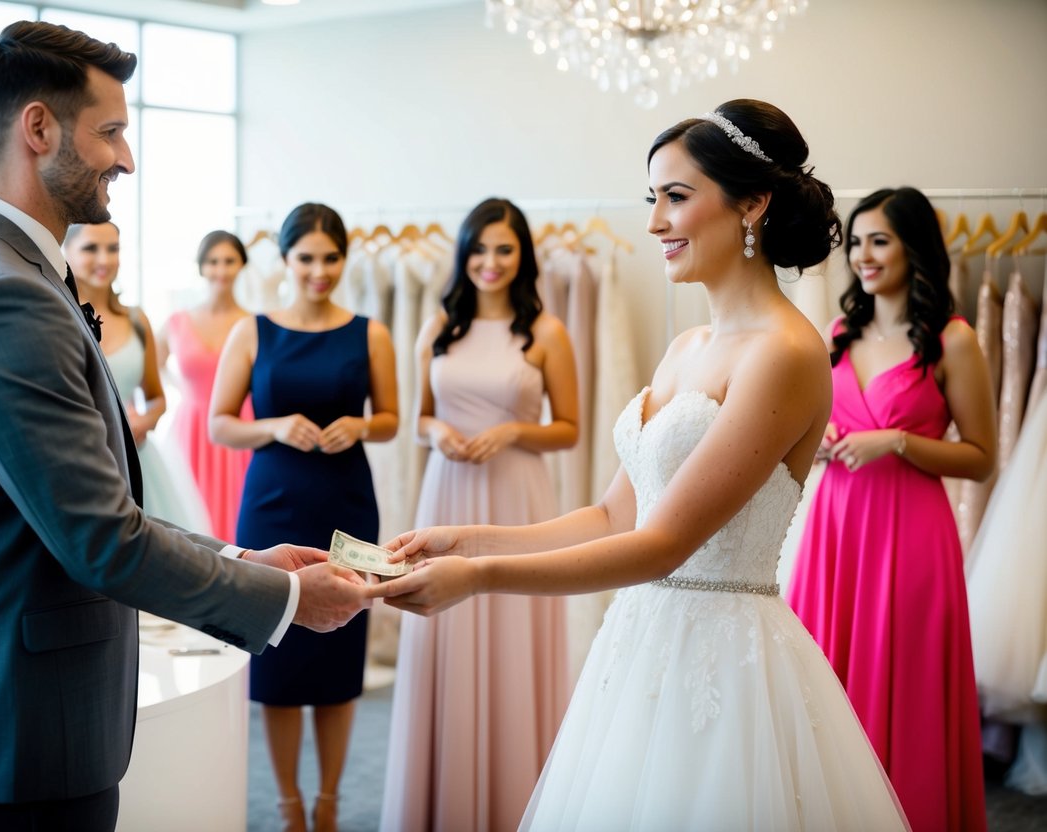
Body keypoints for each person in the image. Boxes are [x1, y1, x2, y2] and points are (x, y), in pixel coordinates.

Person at [370, 100, 910, 830]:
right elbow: (612, 515)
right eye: (650, 198)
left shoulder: (783, 353)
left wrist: (480, 578)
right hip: (638, 643)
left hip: (723, 664)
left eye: (675, 197)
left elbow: (662, 545)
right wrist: (465, 539)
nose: (653, 222)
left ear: (752, 204)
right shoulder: (685, 347)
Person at [0, 22, 368, 830]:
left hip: (13, 718)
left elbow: (81, 505)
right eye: (109, 131)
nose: (127, 158)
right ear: (37, 128)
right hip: (18, 733)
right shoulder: (6, 297)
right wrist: (286, 596)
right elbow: (101, 540)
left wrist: (240, 555)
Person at [786, 187, 994, 831]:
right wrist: (816, 441)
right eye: (855, 242)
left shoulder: (954, 340)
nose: (863, 256)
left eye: (879, 240)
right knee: (827, 682)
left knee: (907, 691)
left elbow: (983, 458)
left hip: (912, 534)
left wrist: (899, 441)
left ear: (915, 247)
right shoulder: (837, 335)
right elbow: (808, 421)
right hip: (836, 527)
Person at [380, 197, 578, 832]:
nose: (490, 263)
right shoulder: (440, 324)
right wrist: (435, 430)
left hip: (517, 495)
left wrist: (517, 433)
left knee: (512, 623)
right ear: (463, 254)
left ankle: (517, 798)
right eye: (480, 249)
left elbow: (570, 429)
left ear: (522, 257)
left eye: (504, 249)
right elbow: (416, 418)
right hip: (449, 489)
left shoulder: (546, 333)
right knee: (444, 625)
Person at [209, 203, 398, 832]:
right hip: (272, 502)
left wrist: (363, 424)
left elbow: (392, 419)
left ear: (345, 259)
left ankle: (330, 804)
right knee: (280, 653)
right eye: (306, 258)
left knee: (341, 653)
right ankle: (289, 806)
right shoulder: (253, 330)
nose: (320, 271)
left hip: (345, 499)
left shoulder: (370, 332)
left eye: (331, 258)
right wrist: (272, 425)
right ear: (285, 260)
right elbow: (219, 424)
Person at [64, 221, 210, 534]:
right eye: (91, 248)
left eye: (112, 249)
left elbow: (156, 397)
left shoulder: (135, 318)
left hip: (136, 459)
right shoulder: (59, 319)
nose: (104, 259)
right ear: (67, 251)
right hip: (82, 462)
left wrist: (143, 421)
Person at [156, 230, 254, 542]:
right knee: (192, 516)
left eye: (229, 261)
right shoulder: (177, 322)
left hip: (242, 426)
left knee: (242, 513)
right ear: (201, 267)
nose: (221, 270)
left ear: (242, 265)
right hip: (193, 427)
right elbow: (150, 367)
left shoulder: (255, 323)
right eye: (213, 261)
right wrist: (184, 390)